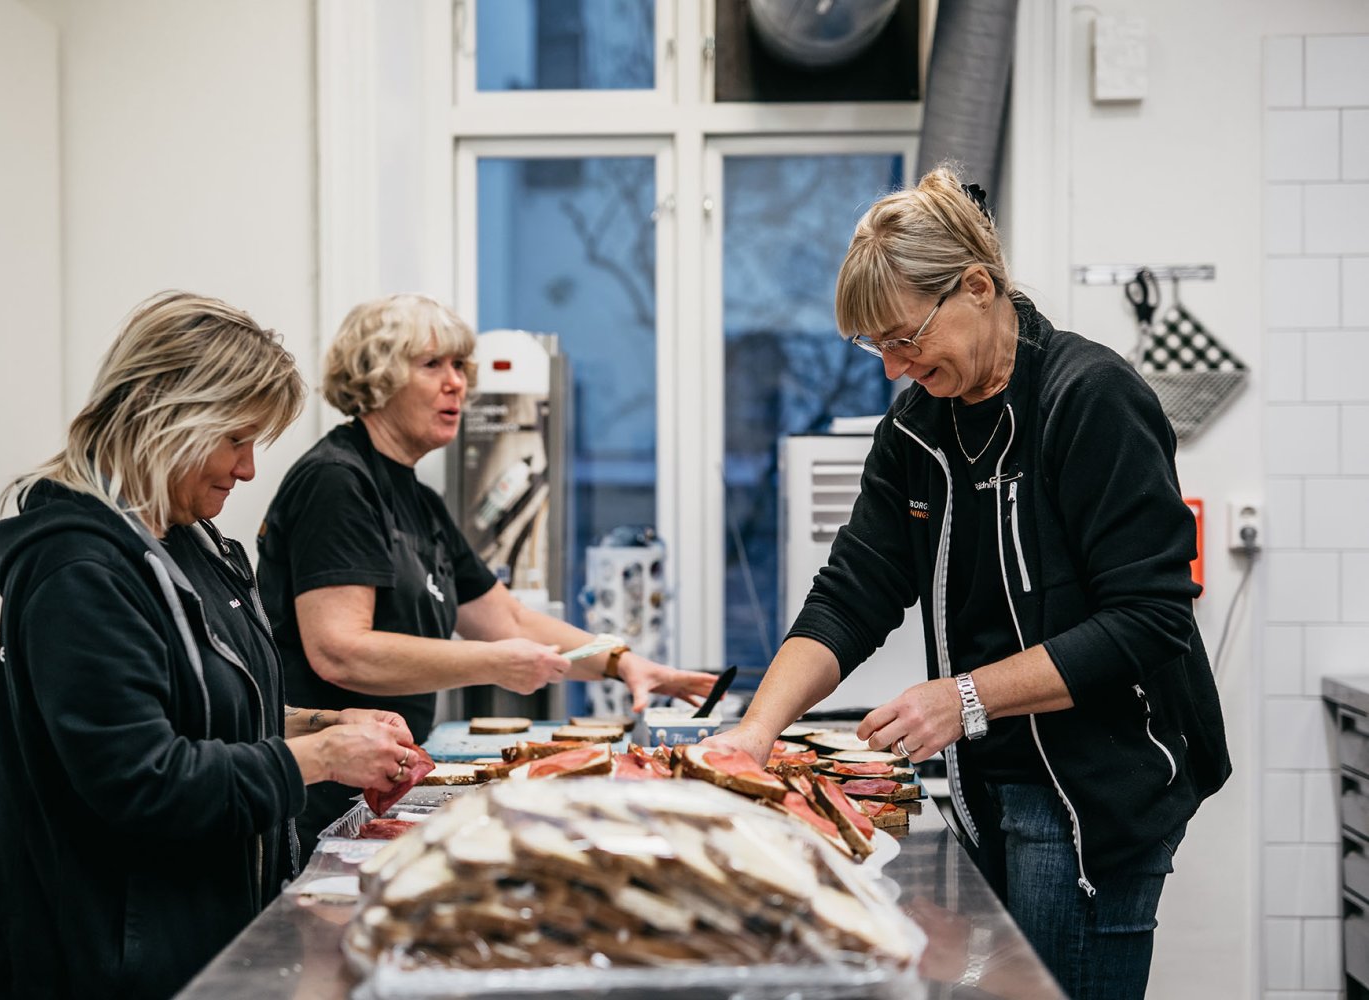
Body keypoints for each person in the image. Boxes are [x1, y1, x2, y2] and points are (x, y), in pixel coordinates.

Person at [703, 168, 1230, 999]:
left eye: (904, 339)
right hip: (992, 785)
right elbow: (851, 594)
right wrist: (754, 733)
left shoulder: (1090, 401)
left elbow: (1149, 619)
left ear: (977, 288)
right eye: (874, 347)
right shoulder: (916, 429)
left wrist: (968, 698)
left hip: (1092, 799)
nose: (892, 369)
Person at [0, 291, 421, 1000]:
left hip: (197, 935)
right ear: (164, 417)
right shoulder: (78, 569)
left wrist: (333, 724)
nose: (247, 469)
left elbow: (201, 710)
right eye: (236, 439)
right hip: (101, 962)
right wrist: (321, 757)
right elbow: (145, 779)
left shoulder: (188, 543)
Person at [256, 293, 718, 849]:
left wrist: (625, 663)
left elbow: (510, 620)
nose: (457, 384)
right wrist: (492, 664)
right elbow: (339, 650)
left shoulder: (419, 501)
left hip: (382, 784)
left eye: (459, 367)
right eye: (433, 365)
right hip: (320, 799)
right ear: (375, 379)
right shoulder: (337, 483)